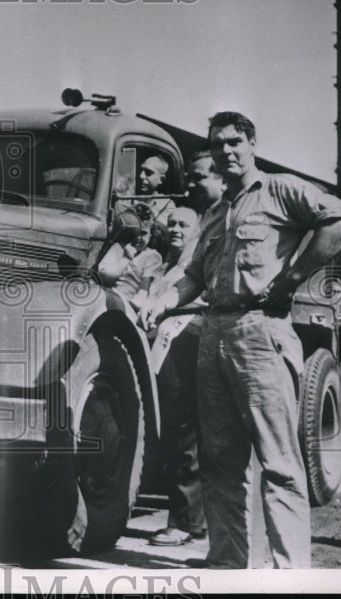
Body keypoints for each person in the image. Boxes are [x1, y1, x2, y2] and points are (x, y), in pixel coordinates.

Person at [141, 111, 341, 568]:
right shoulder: (216, 212)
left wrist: (292, 279)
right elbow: (194, 275)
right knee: (219, 461)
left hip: (261, 331)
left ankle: (288, 572)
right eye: (218, 144)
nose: (226, 151)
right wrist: (161, 302)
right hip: (214, 331)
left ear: (252, 143)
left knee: (278, 462)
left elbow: (337, 221)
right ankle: (227, 563)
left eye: (234, 141)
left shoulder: (279, 190)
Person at [137, 206, 206, 547]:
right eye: (172, 223)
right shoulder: (163, 265)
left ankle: (186, 522)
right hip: (163, 346)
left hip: (185, 343)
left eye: (184, 224)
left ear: (198, 230)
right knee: (170, 434)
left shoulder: (197, 266)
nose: (176, 229)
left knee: (183, 432)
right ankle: (189, 517)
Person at [97, 202, 163, 311]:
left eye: (143, 233)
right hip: (105, 295)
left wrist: (136, 307)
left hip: (127, 303)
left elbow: (144, 289)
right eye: (134, 232)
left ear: (151, 234)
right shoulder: (119, 248)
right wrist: (126, 258)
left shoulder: (152, 256)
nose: (138, 237)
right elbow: (104, 277)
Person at [137, 153, 176, 223]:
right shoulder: (127, 197)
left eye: (148, 173)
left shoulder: (166, 204)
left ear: (161, 180)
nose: (141, 176)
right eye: (140, 171)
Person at [185, 150, 225, 215]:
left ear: (223, 181)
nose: (190, 184)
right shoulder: (191, 215)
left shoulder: (230, 214)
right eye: (188, 179)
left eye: (198, 177)